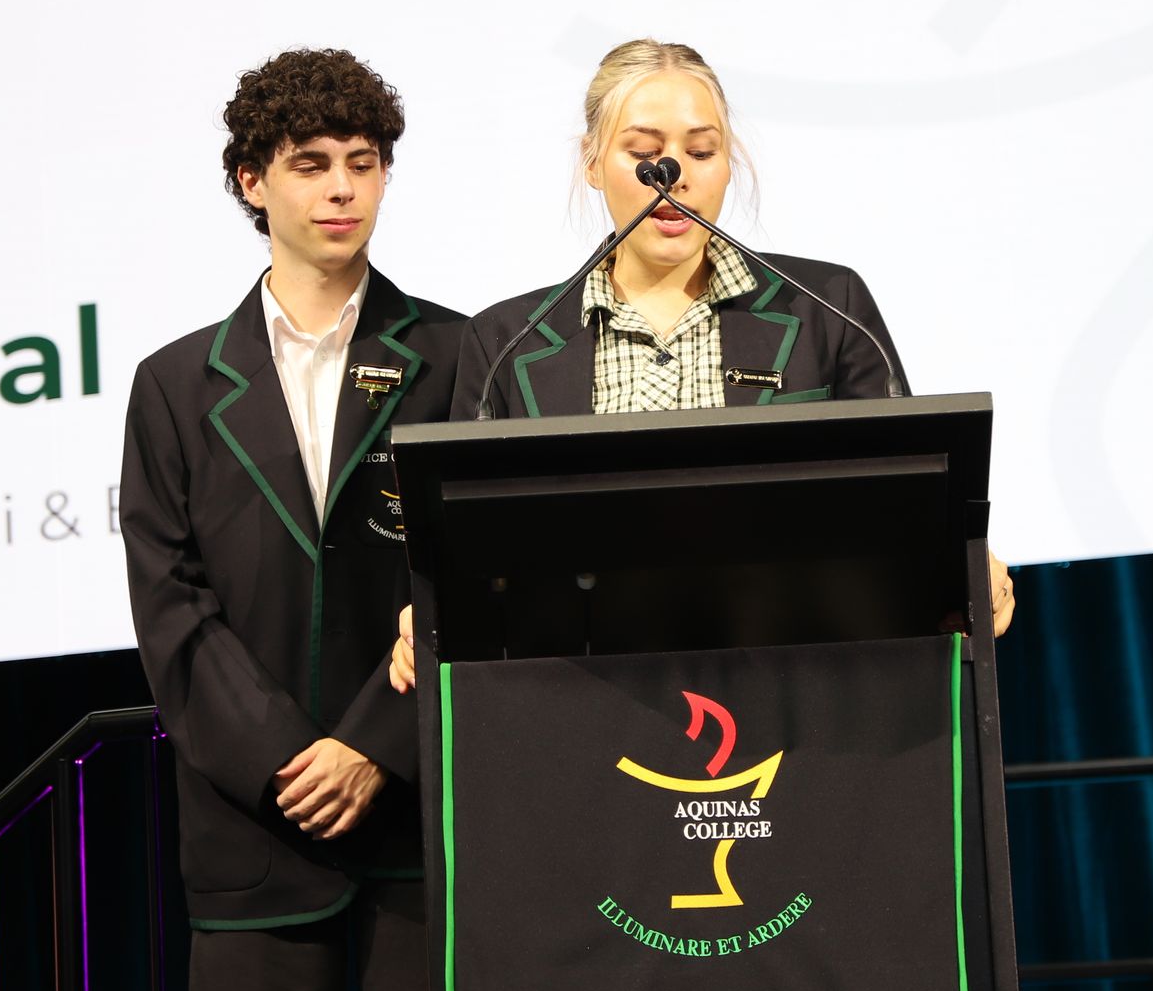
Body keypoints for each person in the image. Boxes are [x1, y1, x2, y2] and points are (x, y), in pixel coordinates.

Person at [388, 38, 1012, 695]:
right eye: (643, 152)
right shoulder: (506, 343)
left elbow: (908, 510)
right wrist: (433, 610)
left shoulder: (831, 310)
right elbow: (466, 553)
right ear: (593, 162)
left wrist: (962, 559)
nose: (673, 174)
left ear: (727, 164)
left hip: (800, 695)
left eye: (701, 151)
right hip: (581, 704)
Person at [122, 49, 460, 991]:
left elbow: (470, 575)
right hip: (257, 814)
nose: (342, 187)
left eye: (363, 161)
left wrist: (371, 744)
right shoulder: (176, 384)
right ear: (251, 179)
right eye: (311, 163)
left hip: (418, 793)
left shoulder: (454, 354)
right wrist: (285, 759)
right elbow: (171, 605)